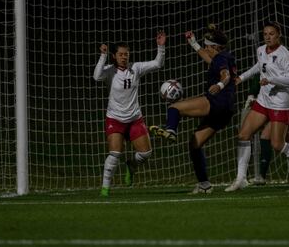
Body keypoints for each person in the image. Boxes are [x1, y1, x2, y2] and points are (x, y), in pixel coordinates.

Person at [150, 24, 237, 194]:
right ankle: (205, 185)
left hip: (216, 102)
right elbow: (209, 59)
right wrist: (194, 43)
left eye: (207, 47)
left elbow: (225, 75)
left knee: (174, 107)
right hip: (227, 111)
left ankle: (171, 130)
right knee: (195, 144)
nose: (206, 49)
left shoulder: (220, 60)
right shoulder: (225, 56)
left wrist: (219, 85)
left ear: (215, 47)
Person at [225, 21, 289, 192]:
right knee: (243, 134)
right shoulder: (261, 50)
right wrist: (242, 77)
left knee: (278, 144)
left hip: (280, 103)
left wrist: (272, 80)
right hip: (264, 101)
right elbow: (259, 66)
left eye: (271, 34)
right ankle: (240, 178)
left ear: (279, 35)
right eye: (265, 34)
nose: (268, 37)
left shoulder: (284, 55)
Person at [93, 31, 166, 197]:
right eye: (120, 54)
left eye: (126, 54)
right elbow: (96, 77)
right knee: (114, 155)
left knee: (146, 154)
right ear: (114, 56)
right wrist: (102, 56)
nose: (124, 57)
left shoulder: (136, 68)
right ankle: (105, 189)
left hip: (134, 119)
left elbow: (157, 64)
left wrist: (160, 46)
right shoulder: (109, 71)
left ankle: (131, 166)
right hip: (115, 119)